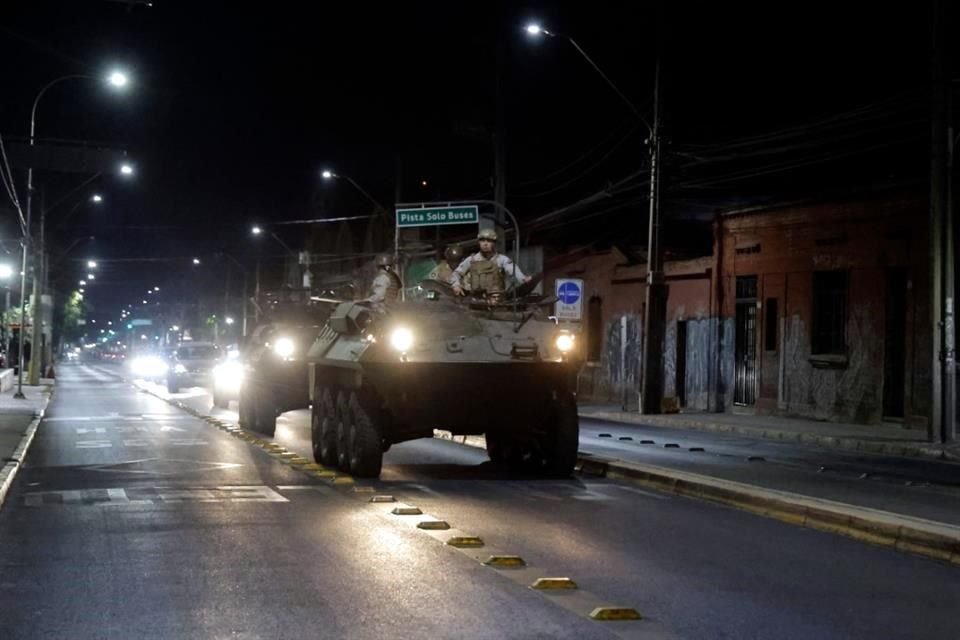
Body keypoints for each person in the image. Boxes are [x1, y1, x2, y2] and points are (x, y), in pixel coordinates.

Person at [451, 229, 530, 300]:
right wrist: (456, 285)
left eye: (489, 241)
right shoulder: (472, 260)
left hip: (497, 300)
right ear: (479, 242)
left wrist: (523, 278)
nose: (485, 243)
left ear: (494, 243)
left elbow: (513, 269)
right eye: (482, 240)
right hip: (476, 301)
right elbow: (457, 272)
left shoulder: (501, 259)